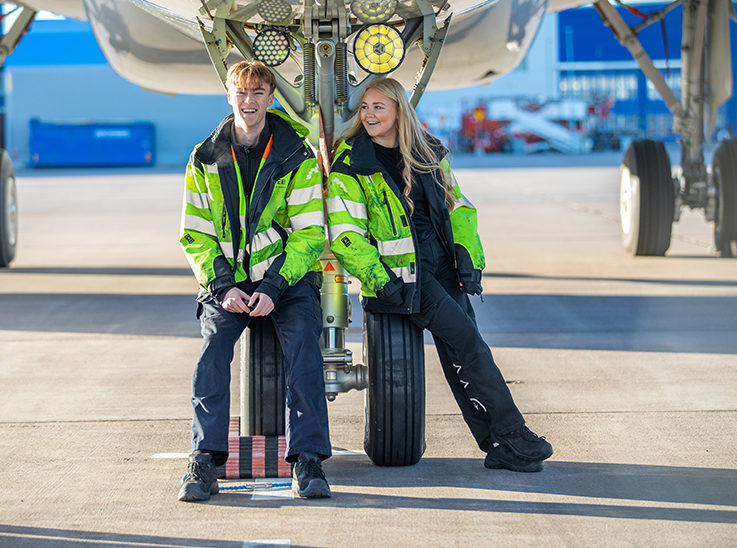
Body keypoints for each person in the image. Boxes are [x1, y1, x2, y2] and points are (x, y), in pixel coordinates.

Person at [326, 78, 553, 472]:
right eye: (365, 108)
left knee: (462, 354)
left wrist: (469, 259)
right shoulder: (352, 163)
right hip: (405, 276)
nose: (370, 115)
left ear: (399, 110)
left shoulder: (428, 152)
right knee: (470, 347)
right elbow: (345, 235)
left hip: (443, 265)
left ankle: (498, 444)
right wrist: (381, 281)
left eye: (379, 106)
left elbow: (459, 207)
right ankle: (515, 436)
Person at [179, 60, 331, 501]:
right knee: (211, 354)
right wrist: (224, 287)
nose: (249, 101)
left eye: (258, 93)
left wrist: (273, 286)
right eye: (241, 92)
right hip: (226, 283)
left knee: (305, 347)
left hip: (283, 281)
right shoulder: (204, 158)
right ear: (229, 95)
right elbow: (196, 233)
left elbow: (308, 233)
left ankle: (309, 461)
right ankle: (204, 460)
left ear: (270, 98)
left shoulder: (295, 155)